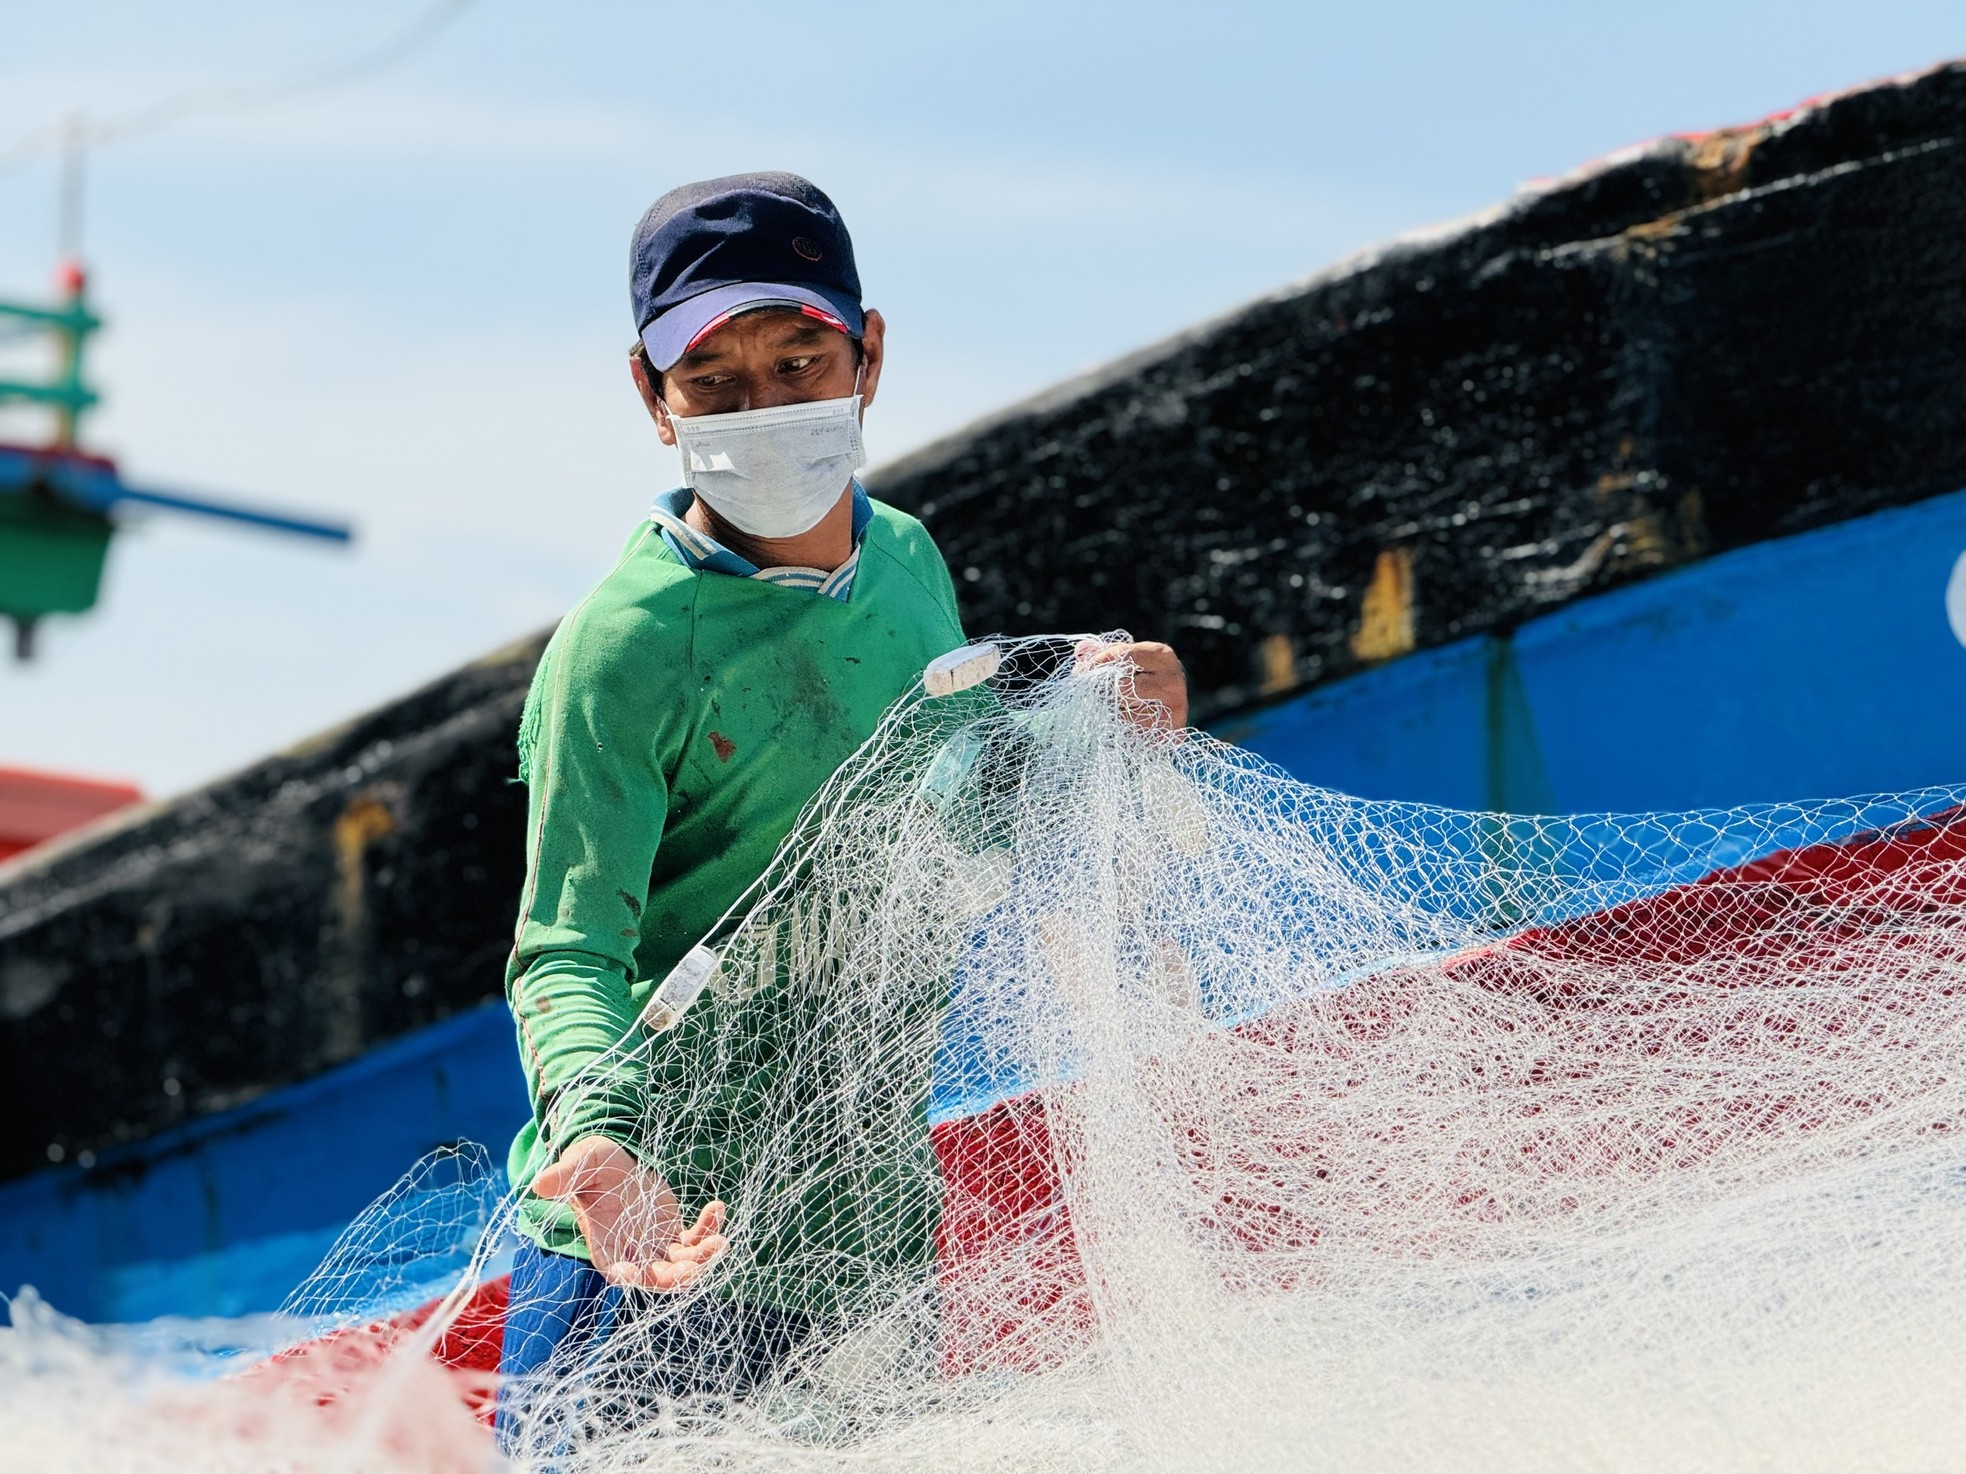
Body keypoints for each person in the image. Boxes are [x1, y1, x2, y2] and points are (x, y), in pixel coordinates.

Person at [493, 172, 1187, 1443]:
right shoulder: (619, 647)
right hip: (658, 1244)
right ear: (653, 401)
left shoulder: (909, 564)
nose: (762, 407)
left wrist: (1102, 725)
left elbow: (950, 826)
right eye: (712, 381)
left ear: (867, 358)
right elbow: (567, 948)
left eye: (799, 359)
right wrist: (600, 1147)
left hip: (860, 1234)